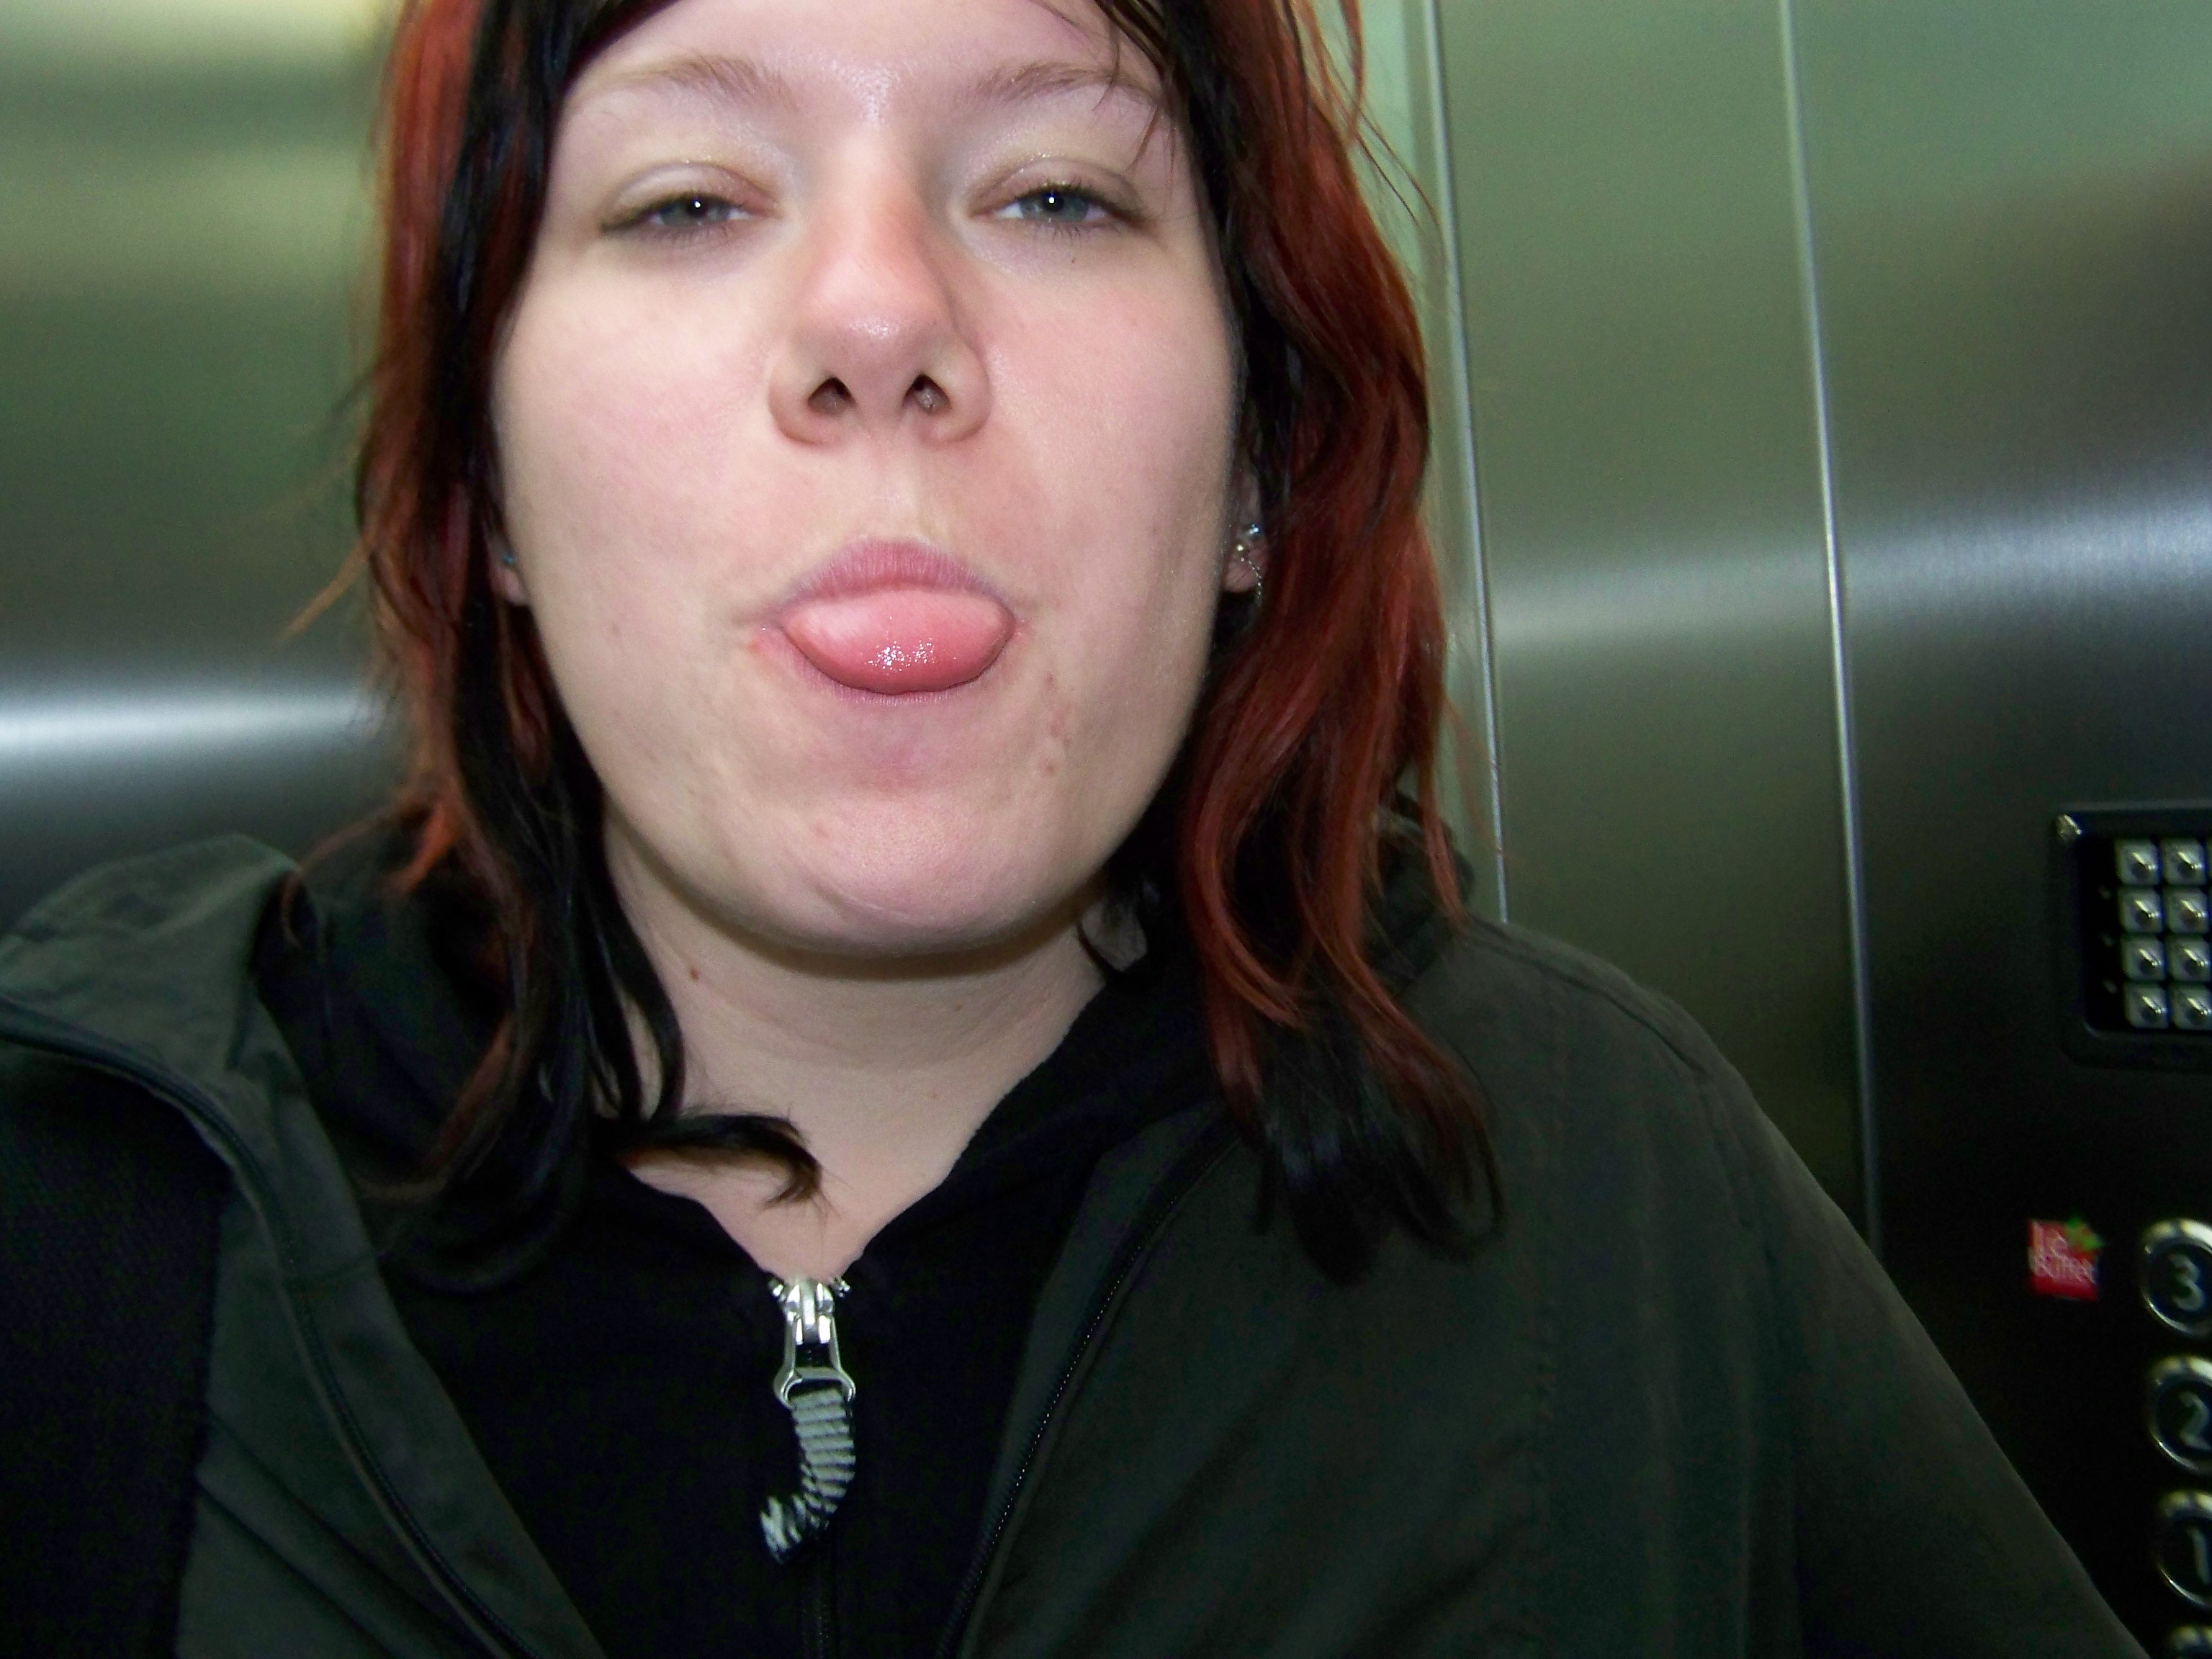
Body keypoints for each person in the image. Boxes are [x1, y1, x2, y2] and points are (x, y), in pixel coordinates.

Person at [0, 0, 2146, 1655]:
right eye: (686, 201)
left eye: (1053, 194)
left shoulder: (1615, 1192)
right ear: (486, 499)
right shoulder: (82, 1215)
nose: (879, 321)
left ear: (1255, 465)